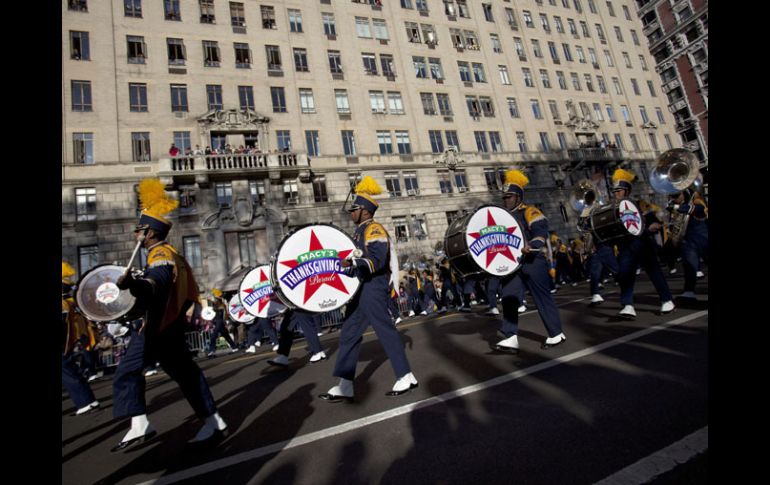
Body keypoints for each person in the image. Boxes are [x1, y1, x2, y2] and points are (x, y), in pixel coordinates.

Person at [112, 178, 227, 452]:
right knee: (185, 373)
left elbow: (157, 283)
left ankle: (140, 423)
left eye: (139, 230)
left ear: (149, 233)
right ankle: (214, 420)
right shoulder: (175, 253)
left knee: (127, 372)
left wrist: (133, 285)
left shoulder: (160, 254)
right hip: (172, 324)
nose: (135, 235)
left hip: (159, 326)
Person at [319, 176, 417, 402]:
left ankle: (405, 375)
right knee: (349, 333)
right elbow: (360, 262)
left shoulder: (373, 229)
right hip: (362, 288)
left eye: (354, 209)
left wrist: (353, 263)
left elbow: (378, 260)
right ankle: (345, 384)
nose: (351, 213)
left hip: (374, 286)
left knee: (384, 330)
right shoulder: (359, 232)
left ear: (364, 211)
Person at [493, 170, 567, 353]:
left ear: (518, 197)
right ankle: (510, 337)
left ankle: (556, 333)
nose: (506, 200)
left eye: (509, 197)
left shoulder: (530, 211)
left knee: (541, 297)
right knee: (508, 296)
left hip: (532, 261)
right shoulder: (502, 218)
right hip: (513, 265)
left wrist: (531, 245)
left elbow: (541, 233)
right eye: (504, 197)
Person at [610, 169, 675, 318]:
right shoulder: (613, 208)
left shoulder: (640, 204)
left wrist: (652, 226)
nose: (616, 193)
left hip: (642, 242)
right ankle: (627, 305)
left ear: (626, 191)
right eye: (615, 191)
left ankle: (667, 300)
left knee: (654, 271)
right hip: (625, 246)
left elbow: (651, 220)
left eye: (619, 190)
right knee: (625, 275)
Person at [62, 262, 100, 416]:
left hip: (65, 341)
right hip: (67, 341)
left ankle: (85, 401)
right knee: (70, 371)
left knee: (68, 372)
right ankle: (87, 401)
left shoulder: (64, 303)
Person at [668, 188, 708, 299]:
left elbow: (699, 209)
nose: (674, 199)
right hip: (687, 240)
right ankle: (689, 291)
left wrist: (677, 207)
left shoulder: (695, 201)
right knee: (689, 265)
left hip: (702, 236)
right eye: (673, 196)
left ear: (684, 194)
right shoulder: (677, 207)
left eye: (676, 196)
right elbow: (674, 224)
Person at [205, 289, 240, 357]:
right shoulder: (217, 304)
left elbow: (219, 312)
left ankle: (211, 351)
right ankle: (234, 347)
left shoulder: (220, 304)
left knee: (213, 336)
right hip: (219, 322)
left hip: (219, 322)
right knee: (226, 335)